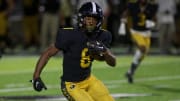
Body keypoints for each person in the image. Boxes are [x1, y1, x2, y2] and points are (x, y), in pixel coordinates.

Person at [31, 2, 116, 101]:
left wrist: (105, 52)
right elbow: (48, 53)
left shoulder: (103, 36)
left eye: (94, 19)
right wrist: (36, 76)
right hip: (71, 84)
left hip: (89, 80)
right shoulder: (69, 34)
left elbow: (112, 63)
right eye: (88, 18)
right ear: (81, 18)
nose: (91, 22)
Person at [122, 0, 157, 83]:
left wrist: (152, 23)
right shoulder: (133, 5)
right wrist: (123, 22)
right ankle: (130, 72)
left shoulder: (151, 6)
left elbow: (155, 19)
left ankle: (130, 72)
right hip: (136, 32)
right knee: (142, 48)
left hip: (147, 33)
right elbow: (125, 14)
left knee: (142, 56)